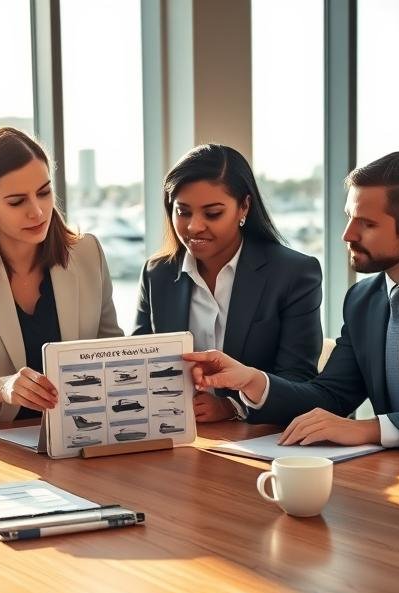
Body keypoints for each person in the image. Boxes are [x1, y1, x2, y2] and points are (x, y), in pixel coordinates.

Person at [184, 151, 399, 464]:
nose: (347, 234)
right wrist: (253, 381)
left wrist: (370, 429)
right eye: (350, 218)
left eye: (366, 223)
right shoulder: (363, 299)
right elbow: (332, 394)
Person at [0, 126, 123, 428]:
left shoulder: (87, 253)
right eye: (17, 202)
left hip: (80, 433)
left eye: (44, 193)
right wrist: (2, 388)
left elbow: (112, 349)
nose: (38, 212)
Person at [134, 144, 322, 422]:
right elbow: (140, 360)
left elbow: (298, 380)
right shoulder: (157, 273)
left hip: (260, 437)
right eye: (183, 212)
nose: (194, 226)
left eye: (212, 214)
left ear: (244, 206)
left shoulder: (294, 273)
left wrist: (233, 407)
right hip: (180, 432)